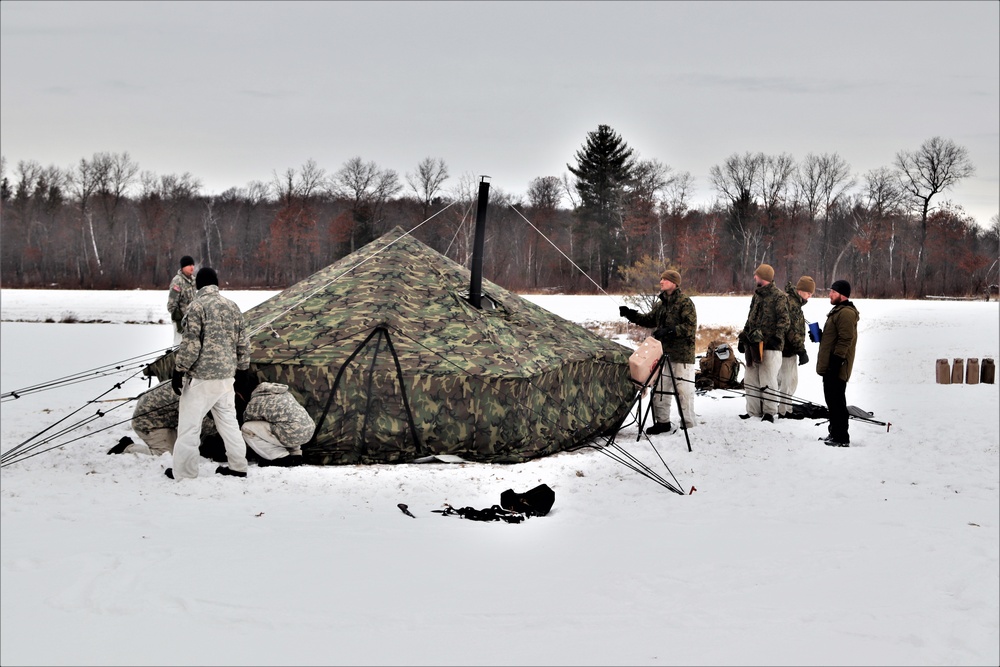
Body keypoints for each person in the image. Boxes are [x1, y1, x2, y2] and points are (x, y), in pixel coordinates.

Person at [166, 267, 251, 480]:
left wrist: (179, 370)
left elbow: (191, 345)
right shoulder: (232, 306)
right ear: (216, 283)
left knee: (189, 428)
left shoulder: (197, 306)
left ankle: (184, 474)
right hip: (226, 378)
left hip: (202, 379)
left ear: (198, 285)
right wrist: (242, 370)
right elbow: (243, 343)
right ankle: (239, 466)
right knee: (229, 424)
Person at [619, 269, 698, 434]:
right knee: (661, 389)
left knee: (684, 391)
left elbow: (689, 327)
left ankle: (688, 424)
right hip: (663, 355)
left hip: (682, 355)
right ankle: (663, 422)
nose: (661, 281)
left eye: (665, 279)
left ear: (674, 283)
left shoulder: (685, 303)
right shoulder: (661, 304)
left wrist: (670, 331)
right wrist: (630, 314)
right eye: (661, 279)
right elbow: (649, 320)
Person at [107, 380, 218, 456]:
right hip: (149, 425)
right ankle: (128, 447)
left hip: (163, 421)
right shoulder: (188, 393)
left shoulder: (189, 382)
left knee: (186, 449)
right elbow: (197, 419)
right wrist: (221, 430)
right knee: (167, 454)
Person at [737, 263, 790, 422]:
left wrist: (776, 338)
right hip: (753, 346)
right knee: (751, 379)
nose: (754, 277)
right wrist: (743, 338)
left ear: (764, 277)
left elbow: (785, 321)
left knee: (768, 380)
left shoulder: (779, 297)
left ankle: (769, 412)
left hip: (771, 347)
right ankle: (753, 412)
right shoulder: (757, 296)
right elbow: (750, 320)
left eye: (757, 275)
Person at [816, 279, 859, 447]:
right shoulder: (838, 311)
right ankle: (834, 433)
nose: (830, 294)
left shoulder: (846, 313)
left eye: (833, 292)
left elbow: (845, 340)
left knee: (837, 402)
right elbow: (834, 338)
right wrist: (820, 336)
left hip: (838, 366)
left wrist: (836, 363)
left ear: (841, 294)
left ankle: (841, 437)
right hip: (831, 365)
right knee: (831, 401)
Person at [241, 382, 315, 467]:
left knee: (246, 428)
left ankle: (280, 458)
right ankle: (296, 455)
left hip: (291, 434)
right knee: (286, 422)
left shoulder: (257, 400)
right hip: (308, 431)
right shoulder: (284, 393)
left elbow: (248, 419)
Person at [776, 276, 815, 417]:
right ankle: (785, 411)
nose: (810, 296)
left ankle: (779, 408)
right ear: (800, 290)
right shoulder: (792, 304)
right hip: (787, 350)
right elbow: (791, 330)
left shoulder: (792, 301)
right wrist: (801, 350)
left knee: (780, 381)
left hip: (783, 349)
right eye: (808, 293)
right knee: (789, 382)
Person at [168, 255, 197, 345]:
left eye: (193, 265)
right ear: (183, 267)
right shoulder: (177, 281)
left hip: (192, 322)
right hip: (180, 322)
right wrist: (179, 322)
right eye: (189, 265)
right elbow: (171, 305)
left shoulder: (193, 281)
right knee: (179, 346)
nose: (192, 267)